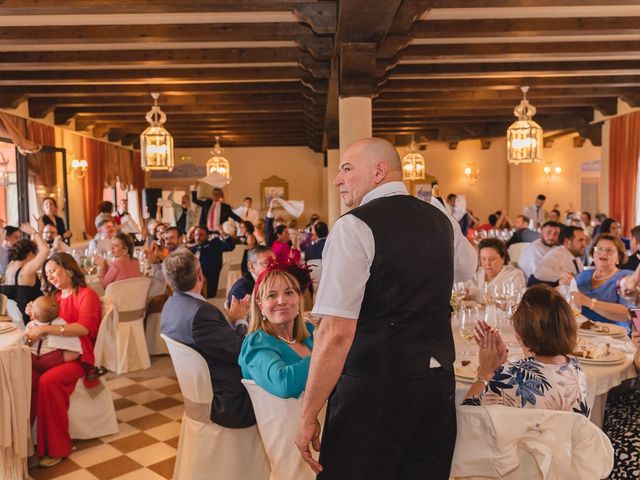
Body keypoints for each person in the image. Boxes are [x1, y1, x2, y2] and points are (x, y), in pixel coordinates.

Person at [295, 138, 476, 479]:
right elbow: (468, 269)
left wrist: (308, 415)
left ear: (379, 171)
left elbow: (335, 333)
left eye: (347, 169)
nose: (338, 180)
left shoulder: (353, 227)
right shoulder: (440, 219)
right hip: (436, 388)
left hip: (374, 395)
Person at [160, 250, 255, 428]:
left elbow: (209, 340)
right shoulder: (202, 312)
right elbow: (240, 351)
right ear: (199, 274)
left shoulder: (169, 306)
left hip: (199, 392)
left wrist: (231, 320)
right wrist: (241, 319)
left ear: (168, 281)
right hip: (226, 400)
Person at [24, 252, 102, 467]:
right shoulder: (55, 299)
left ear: (68, 269)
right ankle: (24, 444)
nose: (49, 276)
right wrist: (35, 316)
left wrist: (46, 328)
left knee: (48, 382)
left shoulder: (87, 295)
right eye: (47, 272)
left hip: (79, 358)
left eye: (53, 270)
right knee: (23, 377)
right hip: (52, 356)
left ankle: (57, 448)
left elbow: (83, 328)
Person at [463, 285, 589, 416]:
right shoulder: (576, 369)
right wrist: (503, 362)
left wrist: (484, 373)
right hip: (565, 437)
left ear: (521, 329)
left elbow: (469, 419)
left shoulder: (509, 377)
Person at [238, 264, 314, 398]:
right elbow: (284, 384)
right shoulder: (257, 343)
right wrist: (325, 355)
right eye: (272, 295)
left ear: (300, 298)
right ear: (260, 305)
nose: (281, 301)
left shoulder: (309, 331)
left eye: (289, 292)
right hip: (286, 418)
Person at [572, 234, 635, 333]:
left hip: (614, 337)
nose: (603, 253)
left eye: (609, 250)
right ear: (593, 254)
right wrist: (564, 284)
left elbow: (628, 314)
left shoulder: (626, 278)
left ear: (618, 257)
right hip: (581, 332)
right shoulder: (582, 276)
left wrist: (588, 302)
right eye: (599, 248)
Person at [25, 296, 83, 374]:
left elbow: (28, 342)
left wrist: (30, 341)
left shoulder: (31, 325)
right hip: (51, 359)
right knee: (74, 352)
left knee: (25, 349)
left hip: (33, 359)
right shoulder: (61, 322)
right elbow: (70, 338)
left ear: (33, 316)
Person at [1, 224, 48, 319]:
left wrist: (38, 231)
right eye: (35, 254)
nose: (36, 257)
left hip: (12, 316)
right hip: (29, 316)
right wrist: (34, 232)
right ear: (30, 254)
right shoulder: (26, 270)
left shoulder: (10, 266)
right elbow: (45, 250)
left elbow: (32, 245)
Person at [190, 225, 235, 298]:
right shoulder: (193, 249)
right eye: (196, 235)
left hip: (209, 285)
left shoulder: (214, 246)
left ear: (207, 236)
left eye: (201, 235)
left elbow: (230, 246)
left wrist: (222, 233)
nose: (198, 237)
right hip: (194, 284)